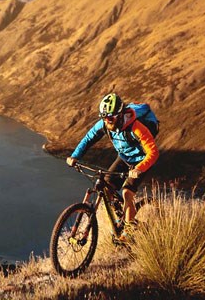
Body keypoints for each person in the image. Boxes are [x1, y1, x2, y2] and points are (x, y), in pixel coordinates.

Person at [66, 93, 159, 239]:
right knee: (106, 188)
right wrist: (75, 156)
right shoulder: (105, 123)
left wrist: (139, 168)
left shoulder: (137, 128)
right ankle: (120, 219)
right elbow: (89, 138)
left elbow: (153, 153)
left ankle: (128, 233)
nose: (107, 121)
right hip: (123, 157)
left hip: (141, 161)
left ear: (120, 114)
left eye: (110, 117)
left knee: (127, 193)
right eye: (104, 117)